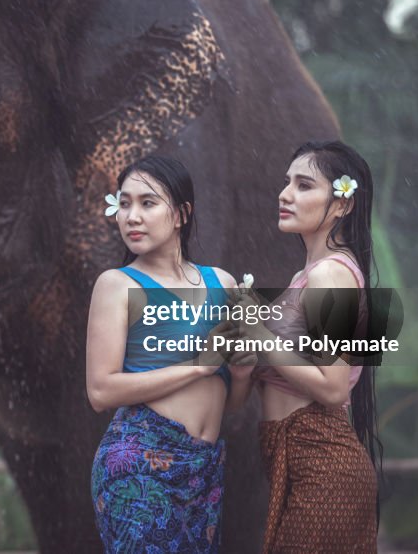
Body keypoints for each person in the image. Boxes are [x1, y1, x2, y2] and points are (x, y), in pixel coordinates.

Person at [86, 155, 252, 554]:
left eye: (147, 202)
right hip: (139, 463)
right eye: (124, 204)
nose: (131, 216)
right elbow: (101, 391)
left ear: (181, 213)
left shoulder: (224, 283)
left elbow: (231, 403)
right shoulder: (117, 285)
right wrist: (198, 367)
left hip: (204, 468)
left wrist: (243, 374)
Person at [229, 140, 381, 553]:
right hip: (297, 461)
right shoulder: (310, 275)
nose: (285, 194)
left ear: (342, 204)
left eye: (303, 185)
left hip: (324, 463)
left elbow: (332, 387)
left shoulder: (330, 275)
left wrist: (259, 335)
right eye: (286, 183)